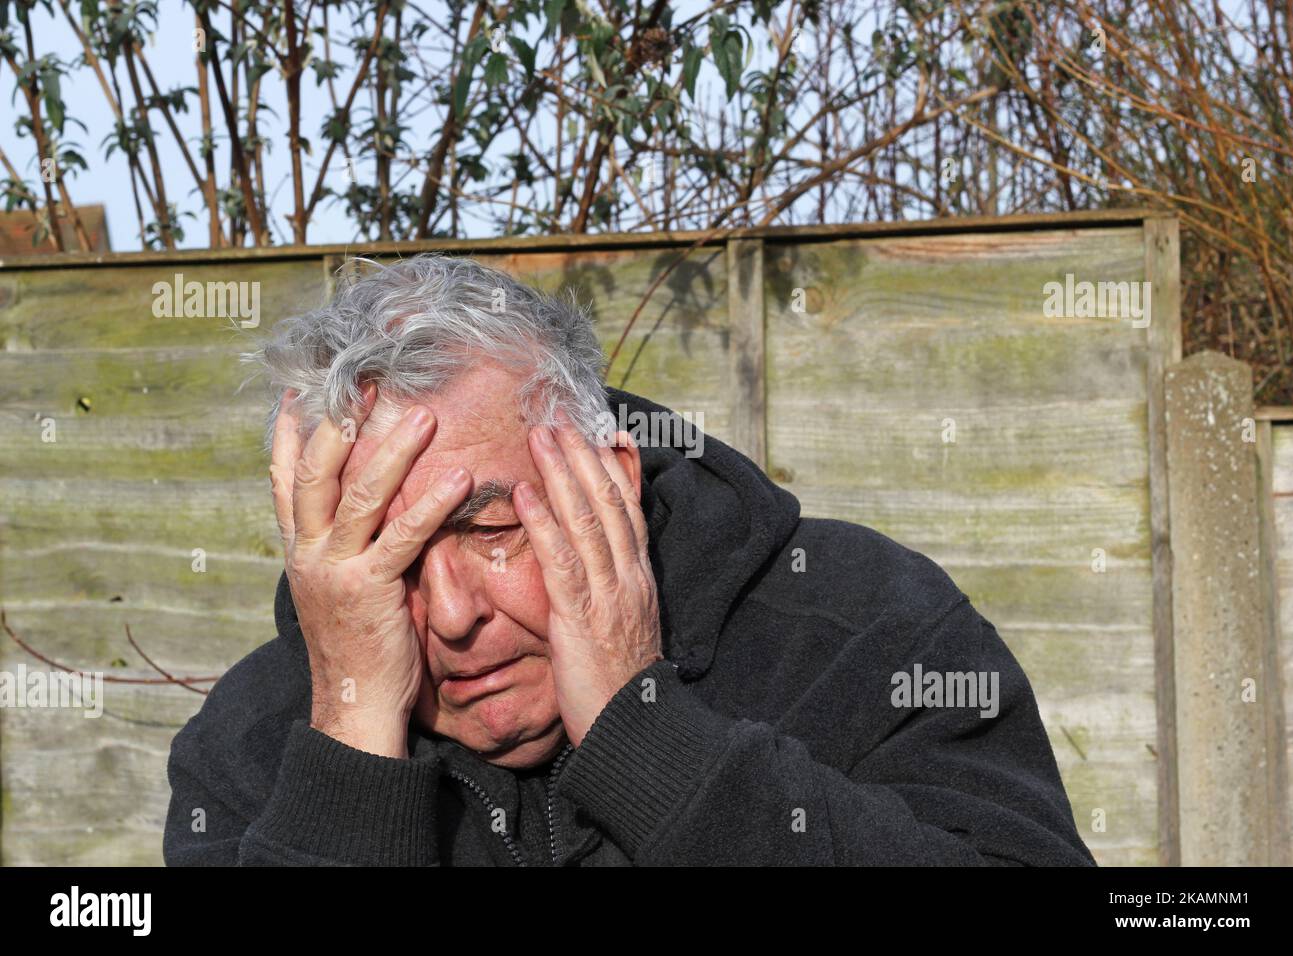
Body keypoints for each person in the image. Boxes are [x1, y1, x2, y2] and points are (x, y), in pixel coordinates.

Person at [163, 253, 1096, 866]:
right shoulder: (258, 738)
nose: (449, 617)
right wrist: (352, 749)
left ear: (607, 479)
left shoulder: (868, 633)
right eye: (386, 562)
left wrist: (646, 738)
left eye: (492, 532)